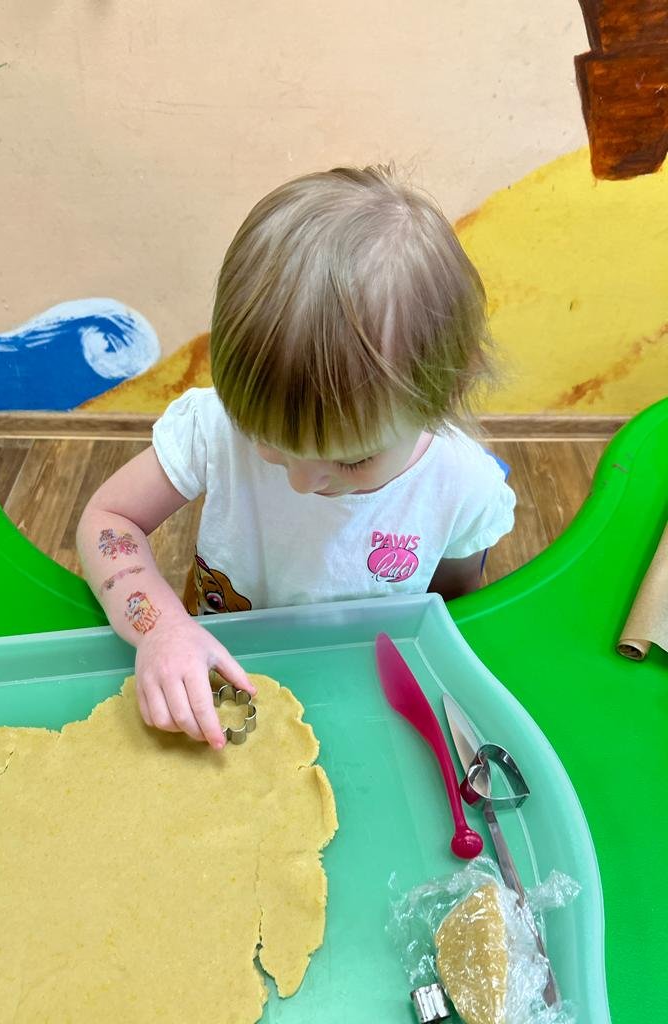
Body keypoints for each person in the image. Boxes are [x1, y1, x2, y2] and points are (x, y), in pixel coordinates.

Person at [77, 164, 515, 750]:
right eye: (273, 448)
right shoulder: (217, 427)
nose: (304, 482)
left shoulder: (462, 487)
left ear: (442, 398)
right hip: (220, 676)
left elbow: (453, 612)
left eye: (353, 460)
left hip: (369, 704)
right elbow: (110, 519)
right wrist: (162, 631)